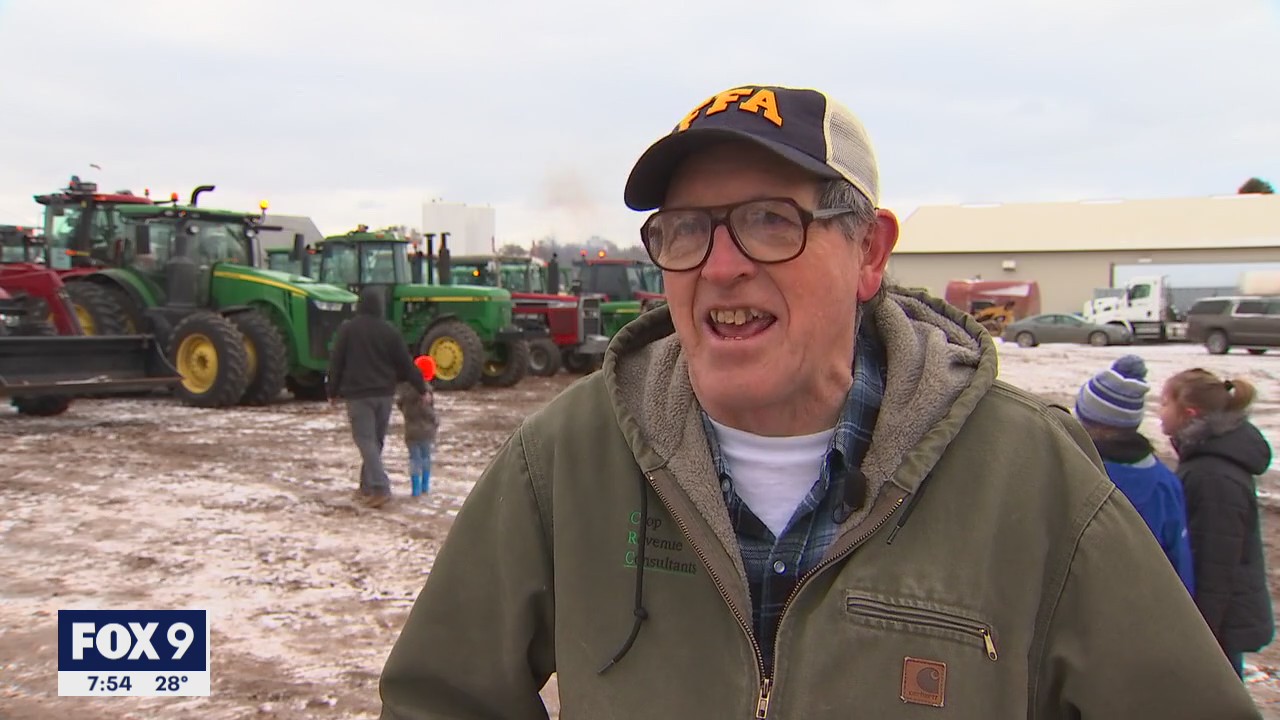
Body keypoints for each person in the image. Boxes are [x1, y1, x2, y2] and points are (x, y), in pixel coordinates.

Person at [379, 84, 1260, 717]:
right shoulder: (565, 460)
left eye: (769, 220)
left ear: (869, 252)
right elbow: (439, 697)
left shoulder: (1030, 477)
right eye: (686, 230)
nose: (721, 265)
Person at [1160, 367, 1275, 679]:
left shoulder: (1211, 475)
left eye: (1165, 403)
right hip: (1222, 616)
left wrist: (1201, 635)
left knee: (1216, 694)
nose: (1159, 411)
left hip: (1219, 622)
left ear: (1189, 413)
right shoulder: (1209, 457)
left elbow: (1215, 563)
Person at [1075, 355, 1195, 594]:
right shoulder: (1164, 482)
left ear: (1085, 419)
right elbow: (1179, 564)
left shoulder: (1078, 473)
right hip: (1146, 606)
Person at [327, 287, 427, 508]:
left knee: (365, 441)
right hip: (384, 395)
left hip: (358, 395)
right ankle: (367, 487)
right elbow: (406, 363)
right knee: (375, 441)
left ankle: (380, 488)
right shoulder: (389, 331)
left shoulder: (348, 329)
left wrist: (332, 391)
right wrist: (421, 388)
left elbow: (337, 361)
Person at [397, 356, 439, 497]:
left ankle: (415, 489)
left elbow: (400, 405)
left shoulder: (405, 392)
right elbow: (427, 411)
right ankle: (424, 487)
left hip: (410, 431)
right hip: (426, 431)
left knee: (414, 459)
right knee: (425, 458)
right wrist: (435, 420)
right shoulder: (426, 392)